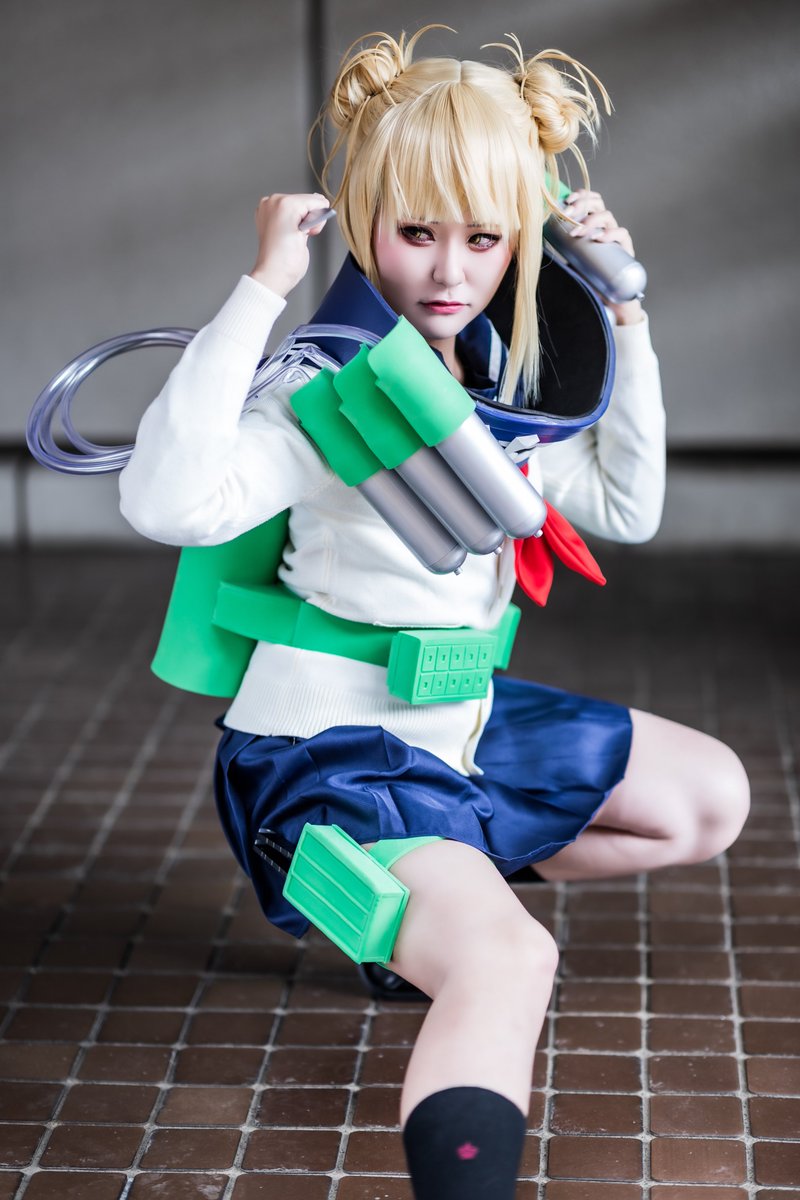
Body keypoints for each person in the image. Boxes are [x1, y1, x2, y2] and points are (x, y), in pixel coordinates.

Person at [119, 28, 750, 1200]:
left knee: (706, 799)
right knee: (509, 960)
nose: (449, 272)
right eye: (416, 233)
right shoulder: (322, 389)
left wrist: (624, 312)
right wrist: (260, 288)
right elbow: (168, 502)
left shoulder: (497, 384)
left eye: (482, 237)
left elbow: (626, 505)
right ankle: (430, 923)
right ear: (364, 227)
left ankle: (409, 915)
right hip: (330, 753)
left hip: (455, 725)